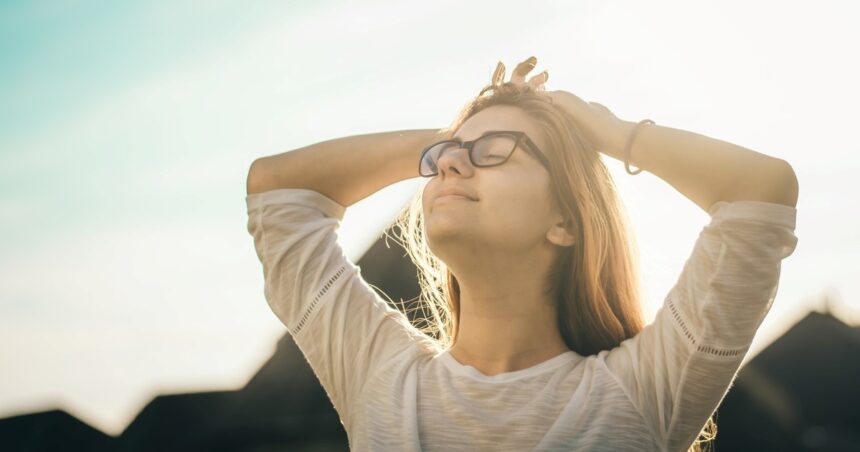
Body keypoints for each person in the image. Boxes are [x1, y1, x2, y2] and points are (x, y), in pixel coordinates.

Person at [245, 56, 799, 451]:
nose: (451, 165)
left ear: (565, 220)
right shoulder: (380, 375)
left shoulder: (642, 391)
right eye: (444, 158)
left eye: (494, 152)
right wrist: (455, 134)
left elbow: (760, 193)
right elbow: (276, 189)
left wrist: (609, 132)